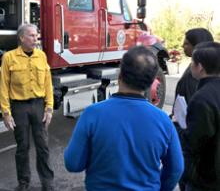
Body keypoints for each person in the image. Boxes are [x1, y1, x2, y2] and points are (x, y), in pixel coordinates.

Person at [64, 45, 184, 191]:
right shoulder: (163, 121)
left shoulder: (92, 114)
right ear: (152, 82)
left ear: (120, 76)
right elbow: (176, 169)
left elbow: (73, 164)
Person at [0, 24, 54, 191]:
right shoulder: (9, 57)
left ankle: (47, 183)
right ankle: (23, 183)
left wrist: (49, 108)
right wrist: (6, 113)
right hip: (19, 107)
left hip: (38, 106)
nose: (35, 38)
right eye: (31, 35)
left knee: (43, 146)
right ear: (21, 38)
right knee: (22, 148)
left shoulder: (41, 56)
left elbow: (47, 83)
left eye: (36, 35)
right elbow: (3, 86)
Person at [172, 28, 213, 191]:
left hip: (193, 154)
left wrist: (178, 126)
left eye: (187, 43)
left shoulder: (193, 76)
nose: (183, 46)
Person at [174, 28, 214, 105]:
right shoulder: (209, 68)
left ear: (197, 45)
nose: (182, 46)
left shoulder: (196, 72)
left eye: (186, 43)